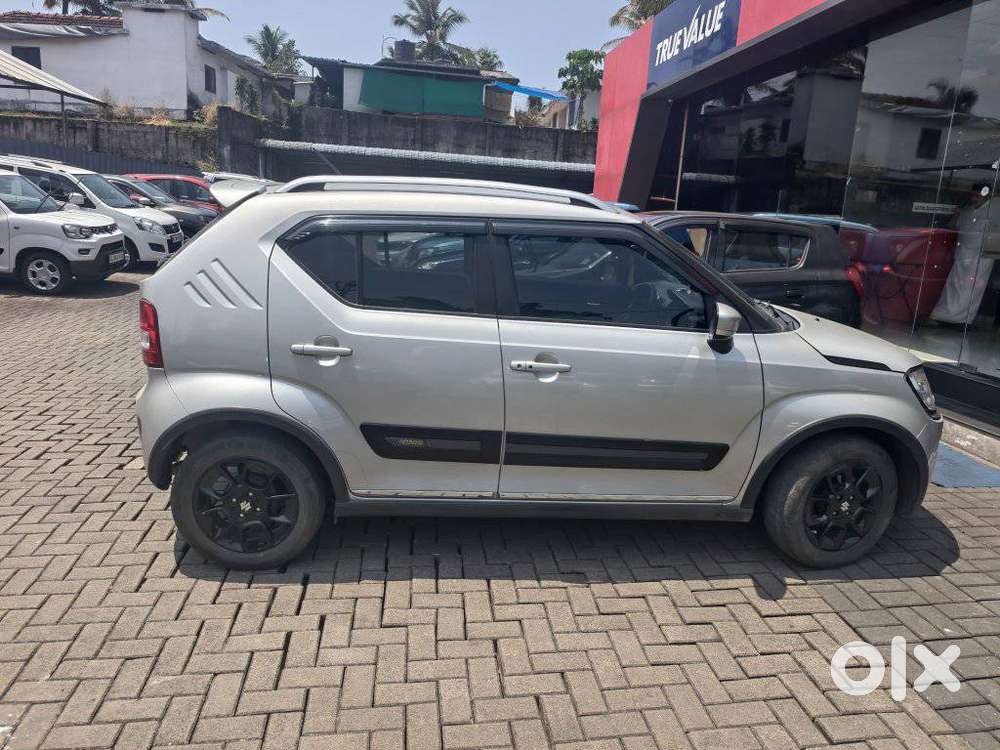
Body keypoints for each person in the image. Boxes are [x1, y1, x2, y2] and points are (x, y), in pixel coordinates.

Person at [931, 182, 998, 325]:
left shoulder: (994, 210)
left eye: (977, 195)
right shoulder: (968, 210)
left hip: (982, 254)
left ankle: (958, 319)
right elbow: (954, 226)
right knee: (954, 284)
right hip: (963, 251)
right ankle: (943, 314)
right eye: (973, 195)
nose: (974, 198)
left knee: (970, 288)